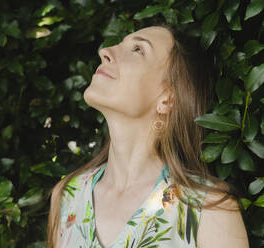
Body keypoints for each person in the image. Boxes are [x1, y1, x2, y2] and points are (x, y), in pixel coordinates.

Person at [46, 24, 249, 248]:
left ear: (167, 99)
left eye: (138, 50)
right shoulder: (67, 196)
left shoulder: (208, 210)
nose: (105, 52)